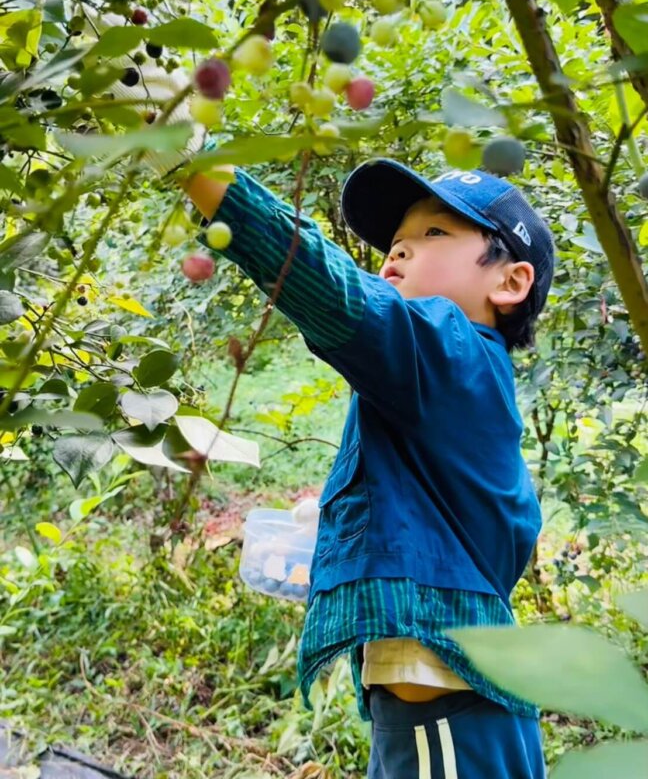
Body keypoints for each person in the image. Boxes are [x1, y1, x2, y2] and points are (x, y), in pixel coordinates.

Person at [182, 157, 553, 778]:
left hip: (449, 718)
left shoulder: (452, 347)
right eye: (395, 244)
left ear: (509, 283)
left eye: (432, 235)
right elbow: (455, 513)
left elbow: (334, 293)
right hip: (442, 715)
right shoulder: (444, 385)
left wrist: (195, 161)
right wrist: (339, 521)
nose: (396, 255)